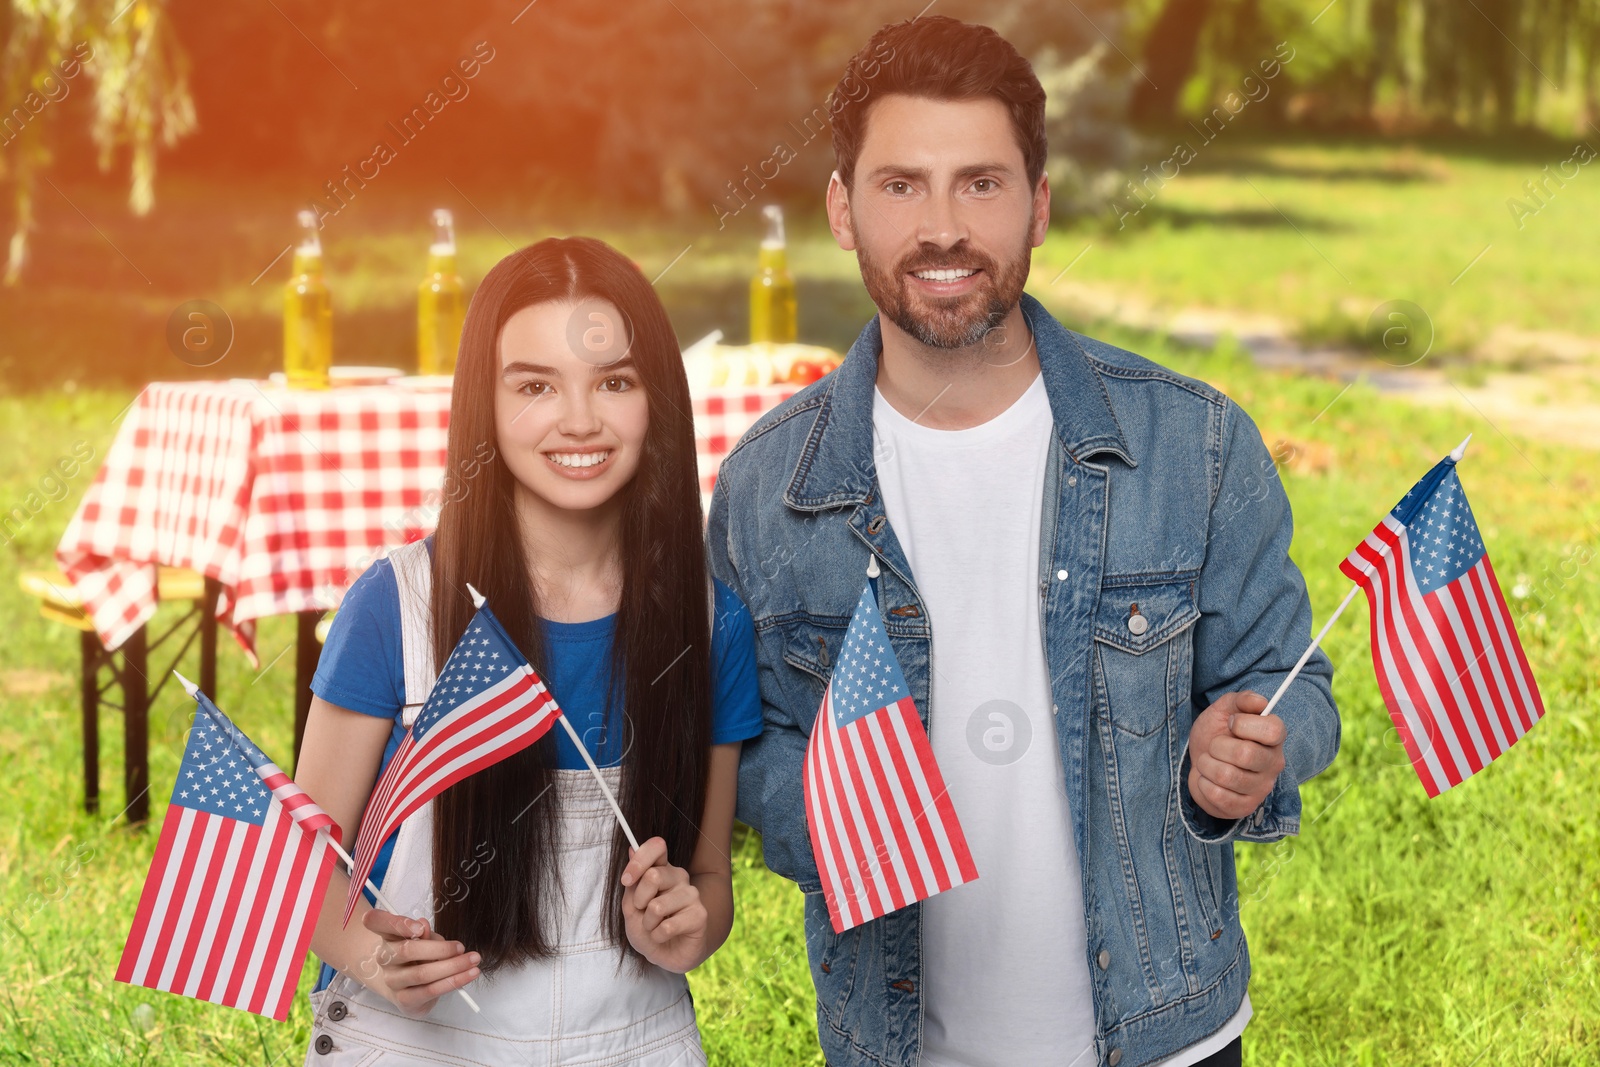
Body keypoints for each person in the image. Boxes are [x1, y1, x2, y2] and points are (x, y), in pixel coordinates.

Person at [708, 16, 1340, 1067]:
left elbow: (1292, 685)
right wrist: (833, 811)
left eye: (982, 184)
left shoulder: (1195, 443)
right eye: (901, 184)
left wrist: (1253, 750)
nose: (943, 227)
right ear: (840, 208)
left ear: (1039, 206)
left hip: (1164, 1034)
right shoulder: (767, 483)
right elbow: (737, 740)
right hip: (897, 1041)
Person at [296, 236, 763, 1065]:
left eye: (614, 381)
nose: (579, 419)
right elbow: (296, 866)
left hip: (633, 1039)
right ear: (485, 403)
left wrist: (691, 927)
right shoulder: (395, 605)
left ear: (658, 396)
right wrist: (373, 957)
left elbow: (709, 879)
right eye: (535, 386)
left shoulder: (709, 621)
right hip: (414, 1042)